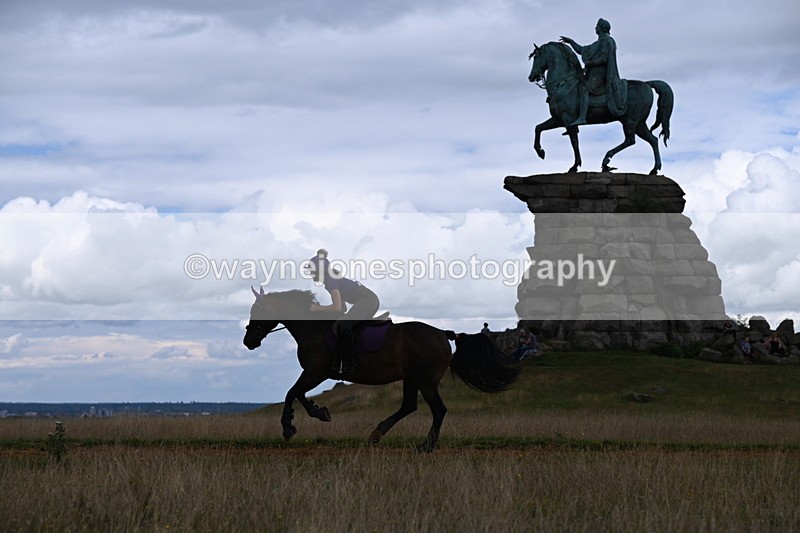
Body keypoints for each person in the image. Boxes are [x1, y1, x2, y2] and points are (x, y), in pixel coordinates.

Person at [307, 249, 380, 373]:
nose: (311, 274)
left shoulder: (330, 281)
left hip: (368, 300)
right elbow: (342, 308)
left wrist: (317, 308)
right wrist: (322, 312)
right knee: (342, 322)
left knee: (344, 324)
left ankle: (349, 362)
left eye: (312, 271)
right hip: (367, 299)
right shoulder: (331, 279)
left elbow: (336, 308)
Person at [560, 18, 627, 126]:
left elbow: (604, 58)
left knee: (585, 89)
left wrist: (591, 63)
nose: (595, 28)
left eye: (597, 26)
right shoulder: (597, 43)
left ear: (601, 28)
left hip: (601, 74)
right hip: (593, 74)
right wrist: (571, 42)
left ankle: (582, 117)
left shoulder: (607, 41)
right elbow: (581, 50)